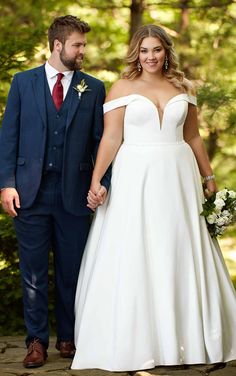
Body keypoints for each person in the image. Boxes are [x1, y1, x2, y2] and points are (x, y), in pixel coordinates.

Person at [71, 24, 236, 371]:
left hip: (178, 175)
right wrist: (97, 179)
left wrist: (209, 178)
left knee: (179, 245)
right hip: (135, 176)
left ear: (166, 52)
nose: (150, 57)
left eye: (157, 50)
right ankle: (140, 341)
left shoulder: (183, 87)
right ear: (136, 53)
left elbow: (193, 137)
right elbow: (111, 139)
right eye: (144, 51)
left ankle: (188, 338)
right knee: (136, 247)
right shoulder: (121, 87)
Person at [0, 15, 110, 368]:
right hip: (28, 193)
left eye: (83, 45)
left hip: (75, 194)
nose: (83, 51)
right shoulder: (23, 83)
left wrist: (101, 185)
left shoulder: (93, 87)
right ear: (58, 45)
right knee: (32, 273)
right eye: (77, 44)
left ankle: (68, 337)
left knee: (72, 271)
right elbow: (9, 137)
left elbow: (102, 142)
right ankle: (35, 342)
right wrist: (6, 184)